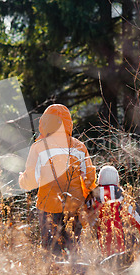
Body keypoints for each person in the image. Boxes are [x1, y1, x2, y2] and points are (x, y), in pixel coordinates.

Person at [19, 104, 96, 254]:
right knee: (74, 248)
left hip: (47, 206)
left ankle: (55, 274)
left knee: (51, 250)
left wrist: (21, 179)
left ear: (45, 122)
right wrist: (86, 201)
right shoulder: (79, 147)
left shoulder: (38, 147)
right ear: (68, 122)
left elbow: (31, 181)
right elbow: (89, 178)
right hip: (75, 206)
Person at [86, 165, 140, 257]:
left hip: (99, 248)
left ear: (100, 179)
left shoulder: (91, 197)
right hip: (123, 248)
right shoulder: (123, 196)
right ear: (117, 180)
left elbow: (83, 219)